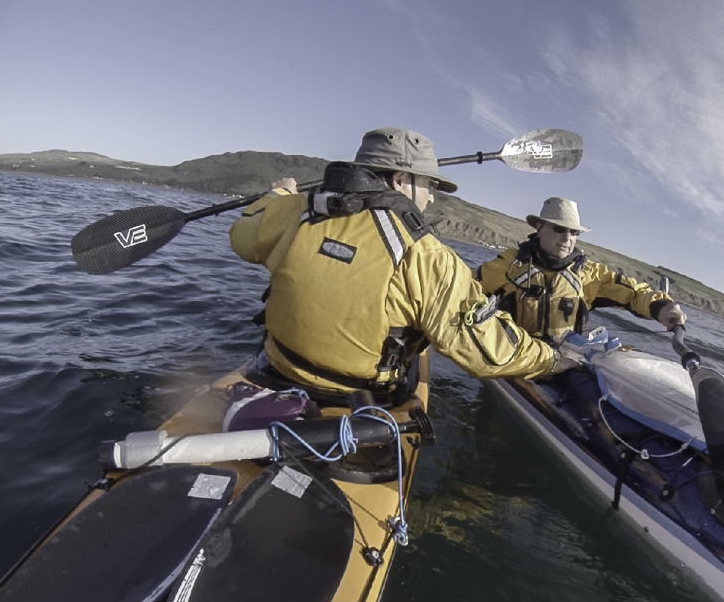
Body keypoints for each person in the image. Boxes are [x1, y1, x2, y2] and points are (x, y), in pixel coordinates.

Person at [229, 127, 574, 404]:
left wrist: (278, 196)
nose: (432, 196)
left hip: (274, 371)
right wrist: (551, 360)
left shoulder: (295, 210)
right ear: (399, 180)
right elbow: (488, 352)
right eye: (429, 184)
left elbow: (242, 237)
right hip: (362, 401)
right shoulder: (426, 253)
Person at [476, 197, 687, 343]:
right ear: (539, 229)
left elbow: (634, 293)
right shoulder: (509, 264)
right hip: (514, 355)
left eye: (574, 232)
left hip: (565, 357)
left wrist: (661, 307)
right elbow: (468, 287)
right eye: (559, 229)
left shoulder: (589, 274)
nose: (567, 238)